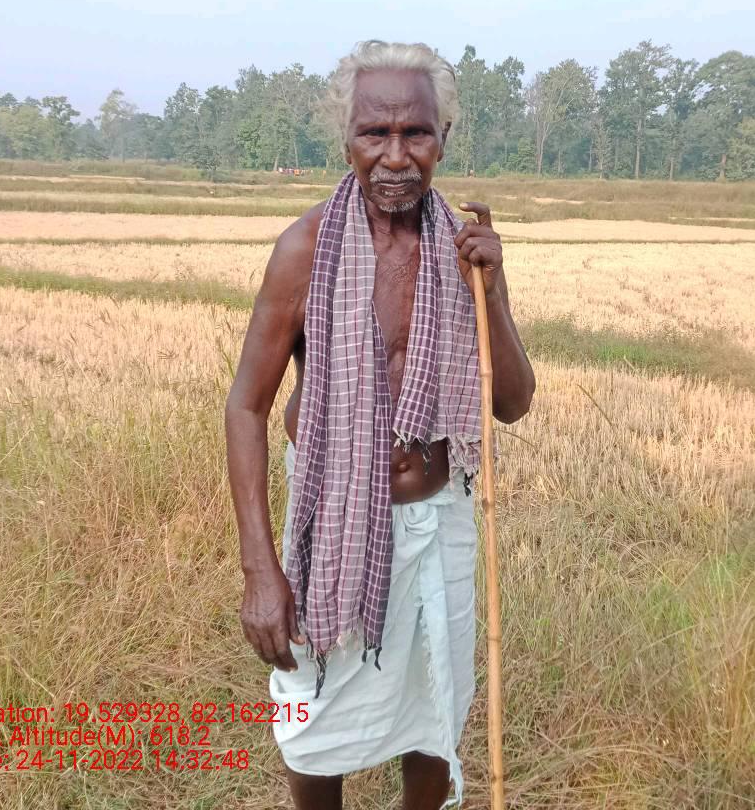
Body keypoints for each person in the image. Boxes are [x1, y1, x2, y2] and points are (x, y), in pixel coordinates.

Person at [224, 40, 535, 810]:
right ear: (347, 140)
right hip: (329, 517)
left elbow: (512, 402)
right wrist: (260, 571)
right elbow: (246, 406)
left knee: (434, 714)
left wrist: (493, 288)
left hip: (439, 522)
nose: (396, 156)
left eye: (415, 133)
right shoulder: (303, 251)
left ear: (442, 139)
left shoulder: (463, 251)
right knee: (312, 725)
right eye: (375, 133)